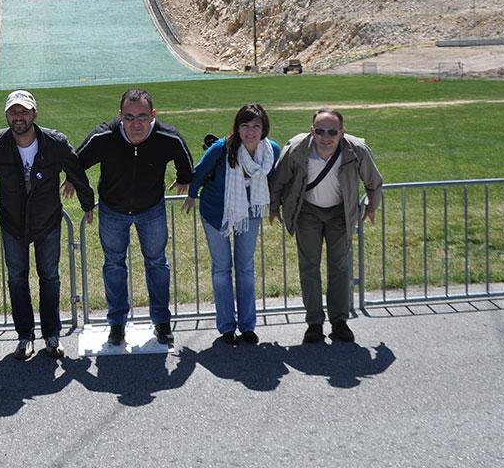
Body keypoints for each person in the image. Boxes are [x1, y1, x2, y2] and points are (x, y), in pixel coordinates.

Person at [0, 90, 95, 360]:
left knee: (49, 278)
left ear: (34, 114)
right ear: (7, 114)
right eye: (13, 112)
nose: (19, 117)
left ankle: (51, 336)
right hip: (12, 223)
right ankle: (24, 336)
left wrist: (88, 204)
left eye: (24, 111)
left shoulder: (55, 142)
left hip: (48, 222)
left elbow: (77, 172)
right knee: (17, 280)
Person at [75, 88, 193, 346]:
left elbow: (185, 160)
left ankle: (161, 322)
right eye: (129, 117)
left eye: (141, 116)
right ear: (120, 116)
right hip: (112, 211)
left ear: (153, 115)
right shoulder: (103, 136)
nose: (135, 124)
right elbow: (74, 163)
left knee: (157, 263)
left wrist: (185, 179)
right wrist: (80, 189)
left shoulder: (167, 137)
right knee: (114, 265)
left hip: (151, 210)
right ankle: (116, 323)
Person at [269, 108, 382, 344]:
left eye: (332, 131)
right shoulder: (297, 148)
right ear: (312, 131)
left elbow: (373, 180)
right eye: (320, 130)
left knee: (339, 266)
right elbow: (279, 181)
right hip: (307, 212)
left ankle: (339, 321)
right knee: (309, 266)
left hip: (340, 213)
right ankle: (314, 323)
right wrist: (273, 207)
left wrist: (372, 206)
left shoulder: (356, 150)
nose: (326, 136)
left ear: (342, 132)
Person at [181, 103, 280, 346]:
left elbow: (275, 179)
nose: (250, 132)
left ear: (263, 129)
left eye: (256, 126)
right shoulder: (221, 148)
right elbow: (201, 170)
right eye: (244, 126)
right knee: (222, 268)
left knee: (245, 268)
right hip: (216, 212)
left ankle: (247, 325)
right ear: (237, 128)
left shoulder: (272, 150)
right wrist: (191, 194)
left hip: (250, 212)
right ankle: (226, 326)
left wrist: (276, 207)